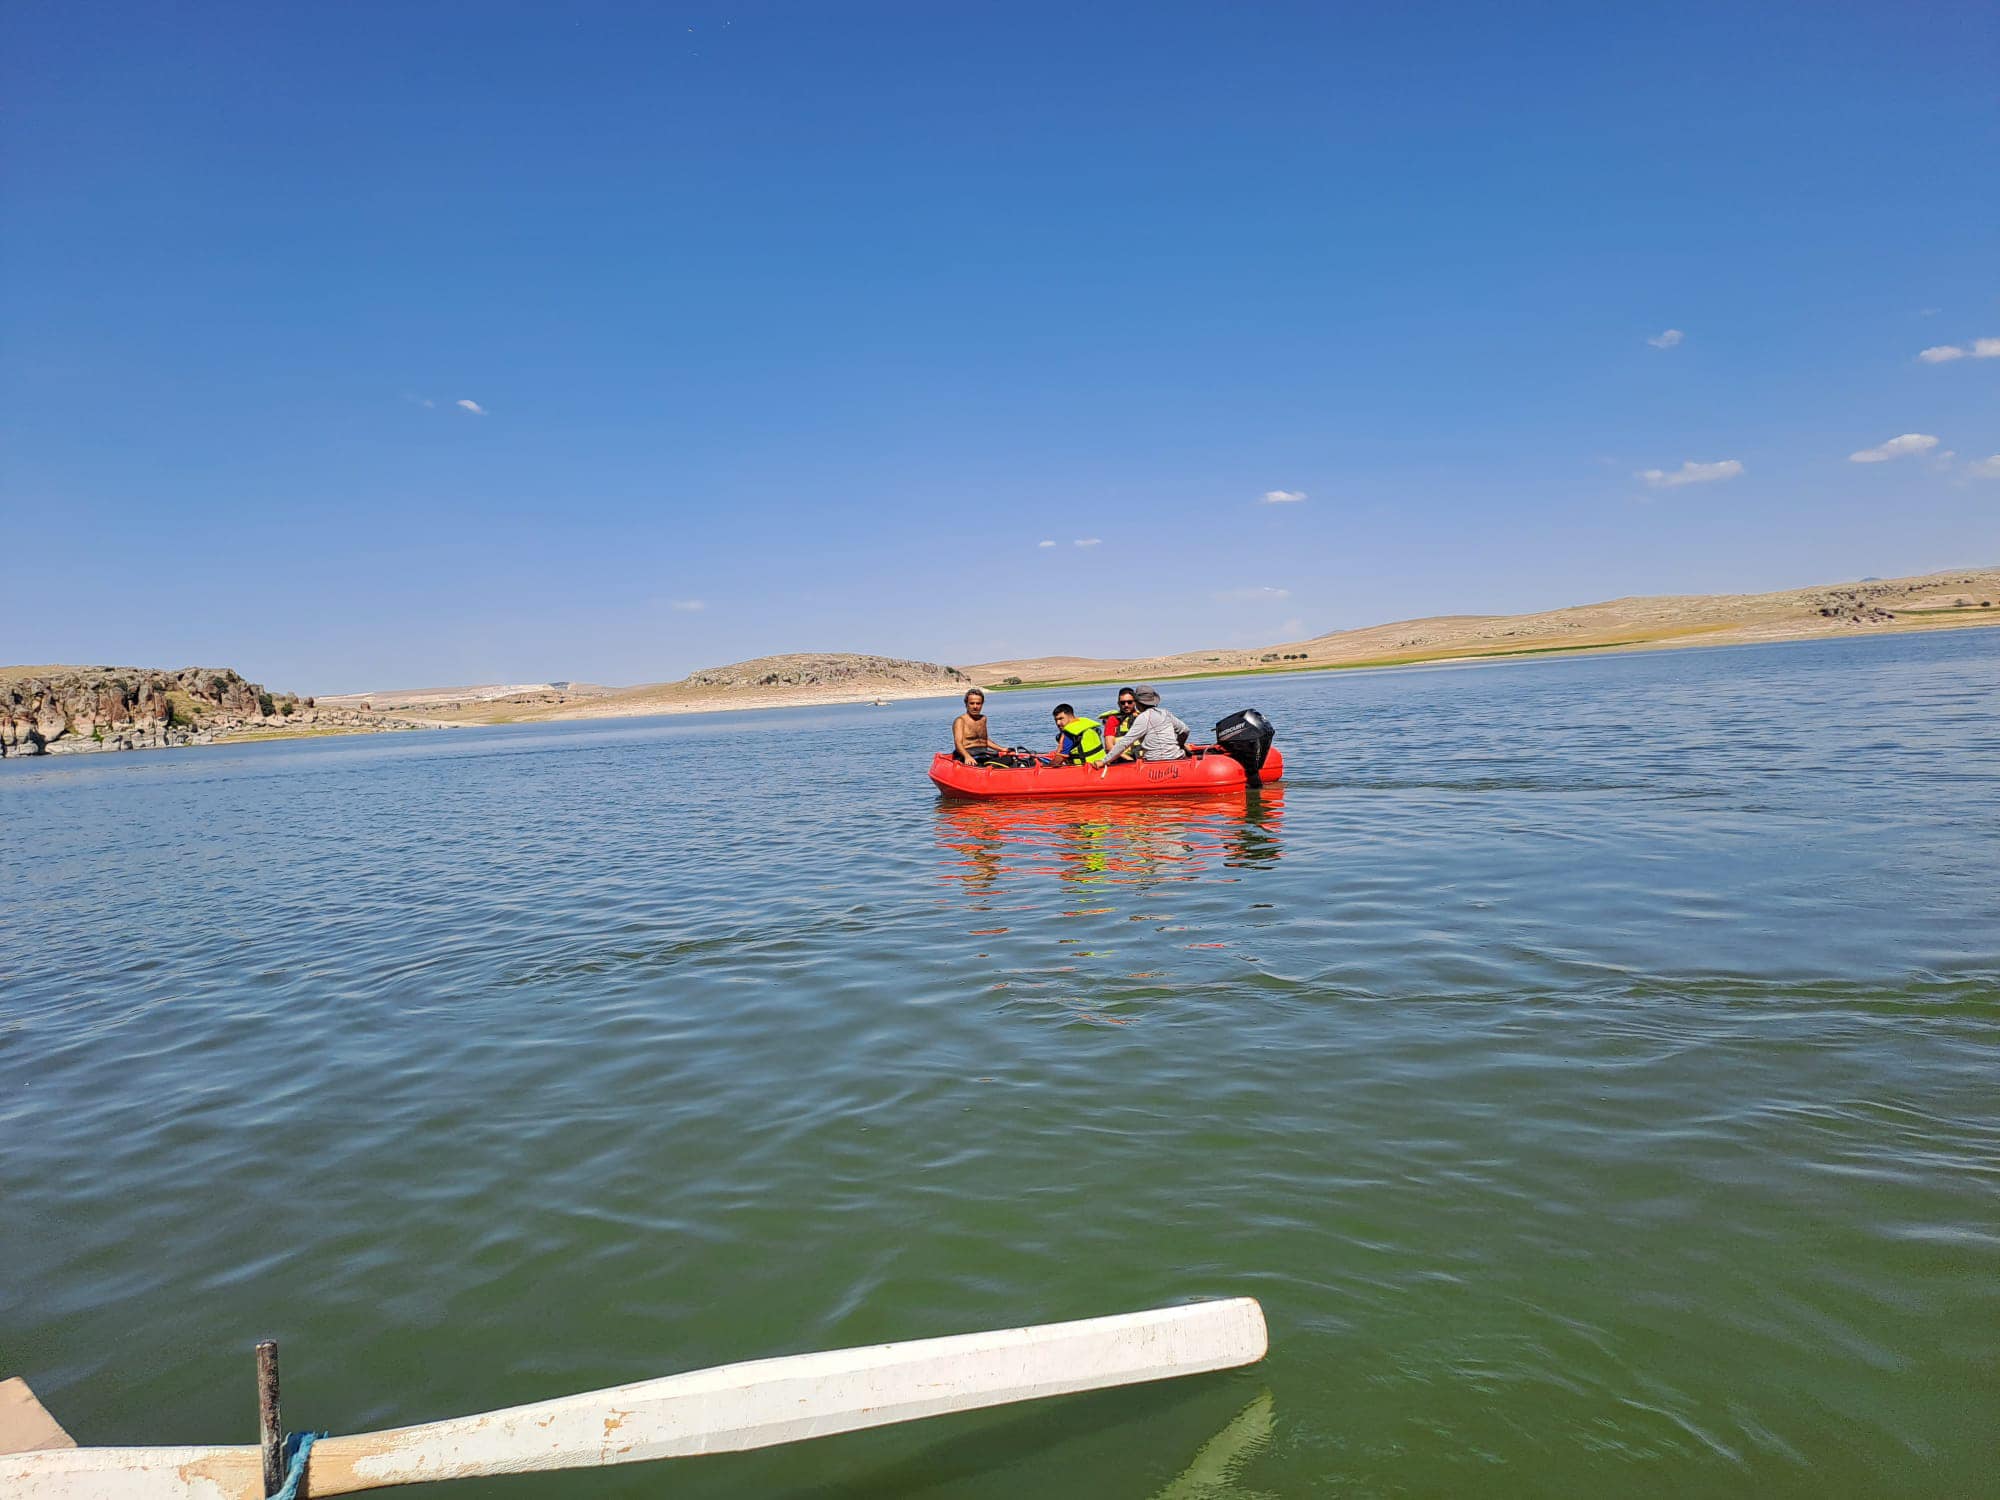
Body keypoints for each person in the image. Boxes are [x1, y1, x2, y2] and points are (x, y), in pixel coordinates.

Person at [1103, 685, 1189, 769]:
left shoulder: (1143, 716)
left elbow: (1159, 737)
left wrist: (1179, 745)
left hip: (1144, 759)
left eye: (1129, 702)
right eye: (1123, 703)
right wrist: (1128, 759)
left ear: (1135, 702)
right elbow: (1111, 746)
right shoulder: (1164, 713)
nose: (1126, 705)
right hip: (1126, 760)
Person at [952, 688, 1029, 766]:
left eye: (978, 703)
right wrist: (967, 757)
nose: (975, 706)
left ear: (982, 704)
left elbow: (984, 740)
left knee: (1010, 759)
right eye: (972, 703)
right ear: (966, 704)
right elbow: (958, 743)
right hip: (968, 754)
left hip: (983, 753)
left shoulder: (983, 719)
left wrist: (1002, 749)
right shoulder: (960, 721)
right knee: (981, 766)